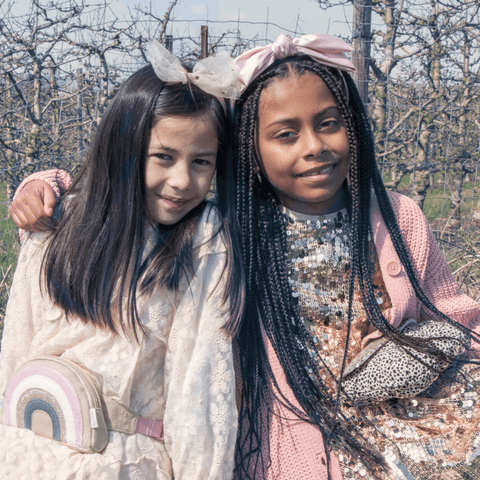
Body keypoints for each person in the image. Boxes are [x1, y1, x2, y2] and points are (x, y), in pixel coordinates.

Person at [229, 34, 480, 479]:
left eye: (328, 123)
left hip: (413, 414)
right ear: (250, 148)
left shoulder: (398, 217)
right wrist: (58, 185)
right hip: (310, 429)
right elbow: (126, 213)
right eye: (286, 134)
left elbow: (457, 316)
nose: (314, 146)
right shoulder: (229, 238)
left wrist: (412, 343)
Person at [0, 40, 242, 480]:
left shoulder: (204, 241)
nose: (182, 181)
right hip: (28, 453)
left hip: (124, 463)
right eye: (163, 157)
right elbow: (17, 350)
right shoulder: (58, 224)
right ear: (124, 149)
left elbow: (201, 388)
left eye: (202, 162)